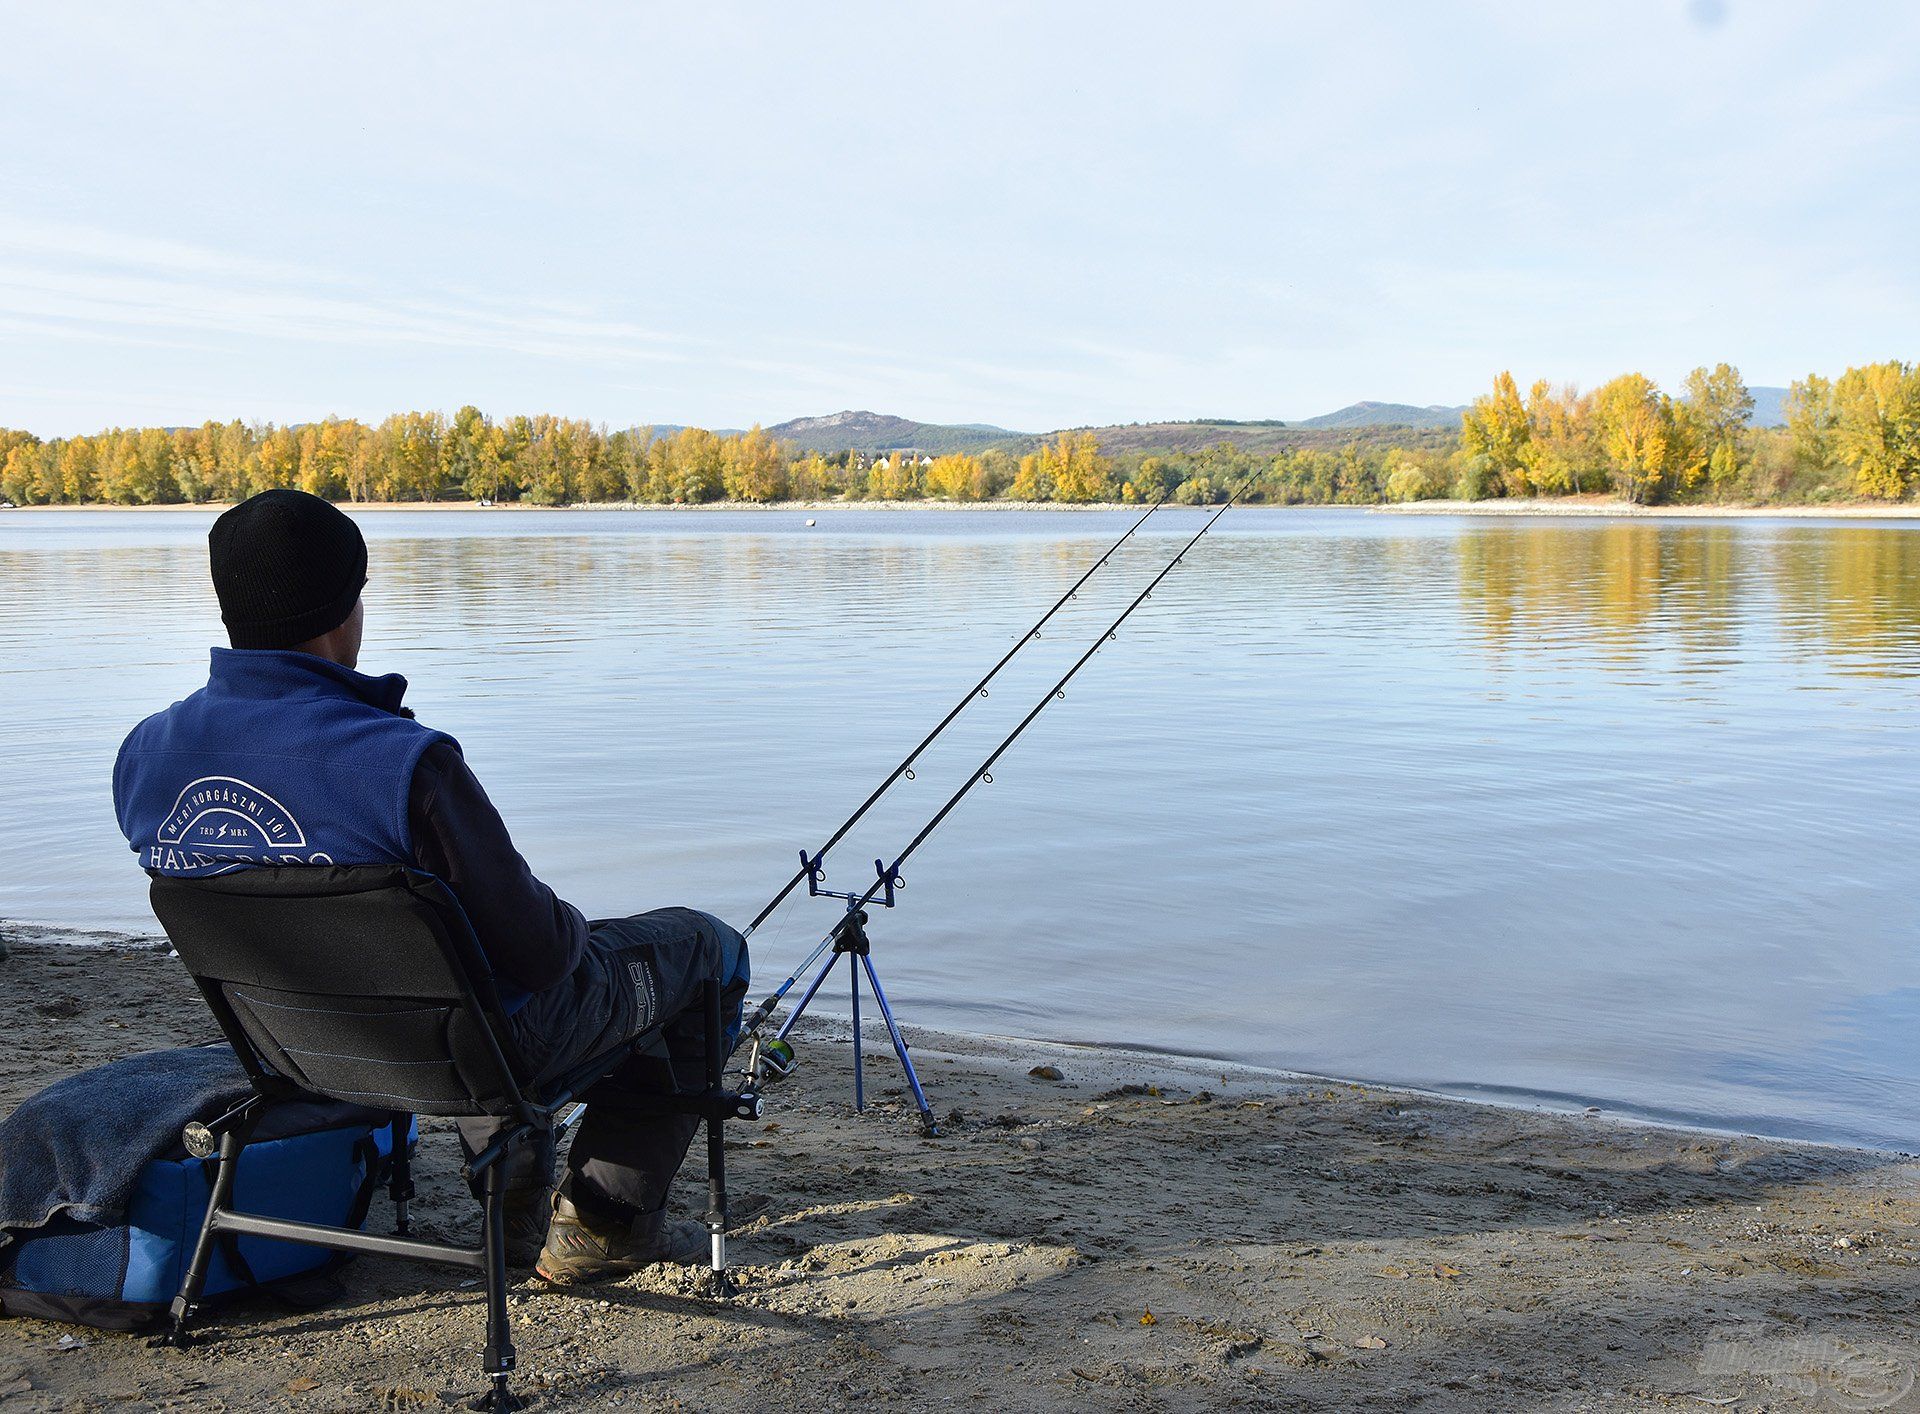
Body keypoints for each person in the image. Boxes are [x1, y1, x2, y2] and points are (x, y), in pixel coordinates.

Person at [111, 489, 749, 1285]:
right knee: (703, 949)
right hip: (460, 1054)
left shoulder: (145, 755)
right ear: (345, 609)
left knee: (452, 963)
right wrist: (583, 928)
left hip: (296, 1050)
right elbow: (544, 955)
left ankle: (511, 1204)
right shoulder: (402, 761)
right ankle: (605, 1226)